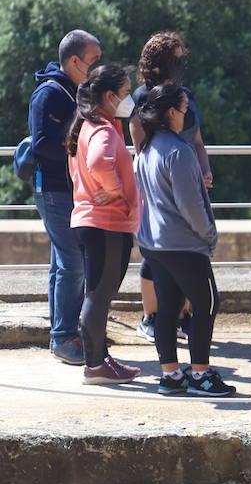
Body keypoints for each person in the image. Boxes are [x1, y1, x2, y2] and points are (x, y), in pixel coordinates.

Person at [134, 82, 235, 397]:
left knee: (167, 307)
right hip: (184, 244)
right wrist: (208, 235)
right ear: (171, 112)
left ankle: (171, 374)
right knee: (206, 304)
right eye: (184, 108)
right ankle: (201, 374)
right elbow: (190, 205)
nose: (188, 113)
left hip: (156, 243)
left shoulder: (148, 148)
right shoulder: (179, 152)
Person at [130, 31, 212, 345]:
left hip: (187, 178)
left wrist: (204, 169)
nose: (181, 62)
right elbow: (140, 147)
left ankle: (182, 315)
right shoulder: (141, 97)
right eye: (176, 57)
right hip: (160, 185)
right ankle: (152, 317)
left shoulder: (186, 96)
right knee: (156, 252)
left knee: (188, 245)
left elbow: (198, 142)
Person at [65, 63, 142, 386]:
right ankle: (95, 364)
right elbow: (98, 162)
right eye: (124, 94)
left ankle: (99, 359)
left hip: (91, 222)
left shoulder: (85, 125)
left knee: (96, 294)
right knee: (99, 296)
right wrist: (116, 193)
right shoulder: (103, 129)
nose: (128, 100)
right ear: (109, 96)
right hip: (106, 225)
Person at [28, 29, 102, 364]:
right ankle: (63, 337)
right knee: (73, 263)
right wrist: (79, 146)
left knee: (63, 263)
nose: (98, 67)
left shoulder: (74, 91)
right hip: (55, 189)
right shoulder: (49, 94)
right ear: (75, 61)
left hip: (66, 189)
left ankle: (63, 334)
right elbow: (42, 142)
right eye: (94, 61)